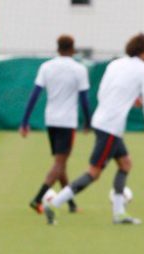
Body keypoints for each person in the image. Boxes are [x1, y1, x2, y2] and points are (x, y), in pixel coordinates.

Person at [45, 33, 144, 226]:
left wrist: (125, 102)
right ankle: (55, 203)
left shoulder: (115, 64)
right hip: (111, 127)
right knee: (94, 173)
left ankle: (119, 213)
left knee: (125, 164)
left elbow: (103, 91)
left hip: (101, 120)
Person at [20, 35, 90, 214]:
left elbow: (34, 95)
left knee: (61, 163)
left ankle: (71, 204)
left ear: (57, 49)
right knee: (60, 162)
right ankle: (37, 199)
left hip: (50, 120)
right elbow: (84, 99)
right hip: (67, 122)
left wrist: (25, 121)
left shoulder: (46, 67)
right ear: (73, 49)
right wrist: (88, 122)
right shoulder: (79, 69)